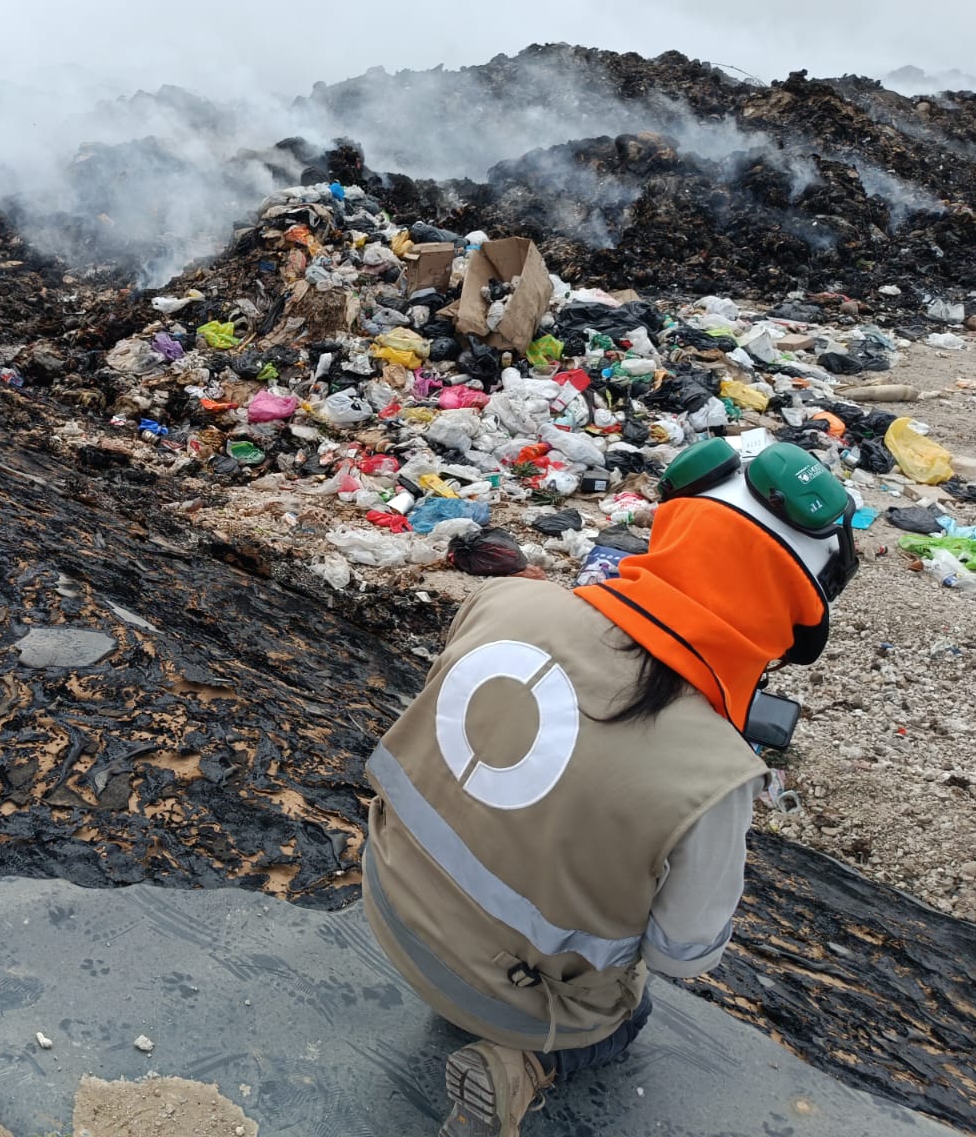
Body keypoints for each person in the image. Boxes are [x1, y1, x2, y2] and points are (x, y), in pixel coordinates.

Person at [361, 442, 859, 1136]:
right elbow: (684, 954)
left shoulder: (508, 598)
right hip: (507, 997)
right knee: (635, 1009)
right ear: (788, 619)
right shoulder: (714, 772)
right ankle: (524, 1068)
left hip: (383, 901)